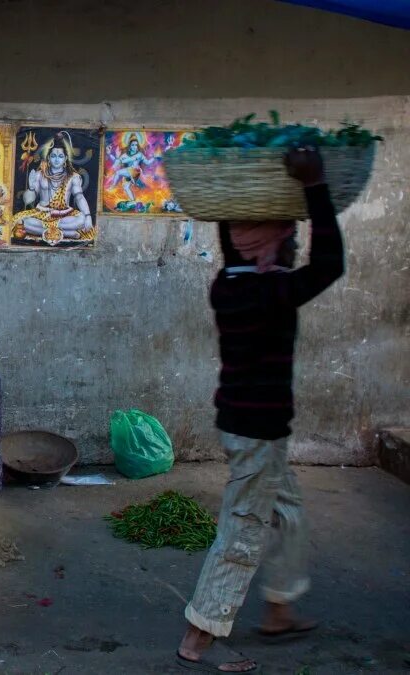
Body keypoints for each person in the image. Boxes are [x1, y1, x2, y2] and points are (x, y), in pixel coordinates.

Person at [175, 147, 343, 673]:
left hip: (245, 428)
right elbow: (331, 264)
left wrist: (236, 196)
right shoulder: (274, 290)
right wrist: (314, 187)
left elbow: (235, 242)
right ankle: (198, 635)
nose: (293, 241)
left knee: (287, 511)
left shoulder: (229, 285)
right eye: (287, 234)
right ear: (269, 243)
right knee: (245, 527)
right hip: (259, 431)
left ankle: (279, 608)